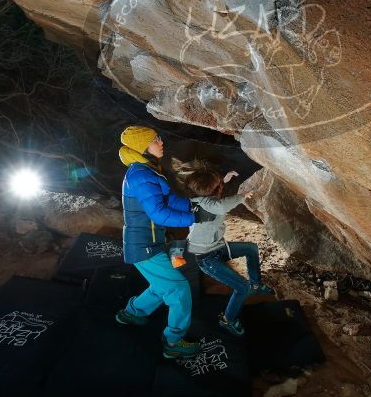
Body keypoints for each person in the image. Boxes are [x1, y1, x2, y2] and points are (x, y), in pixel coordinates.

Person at [115, 126, 213, 359]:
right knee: (179, 290)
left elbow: (168, 199)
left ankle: (132, 313)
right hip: (143, 245)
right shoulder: (141, 175)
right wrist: (195, 217)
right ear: (143, 147)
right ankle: (173, 341)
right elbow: (158, 214)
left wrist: (192, 206)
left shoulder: (147, 171)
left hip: (149, 242)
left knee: (162, 285)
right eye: (155, 140)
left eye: (159, 138)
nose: (161, 143)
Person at [173, 159, 275, 337]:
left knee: (251, 249)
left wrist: (224, 180)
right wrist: (242, 195)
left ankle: (257, 284)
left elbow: (213, 196)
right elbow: (221, 205)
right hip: (207, 258)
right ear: (209, 190)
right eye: (216, 183)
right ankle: (228, 319)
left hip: (217, 246)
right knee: (242, 288)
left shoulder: (199, 197)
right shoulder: (207, 205)